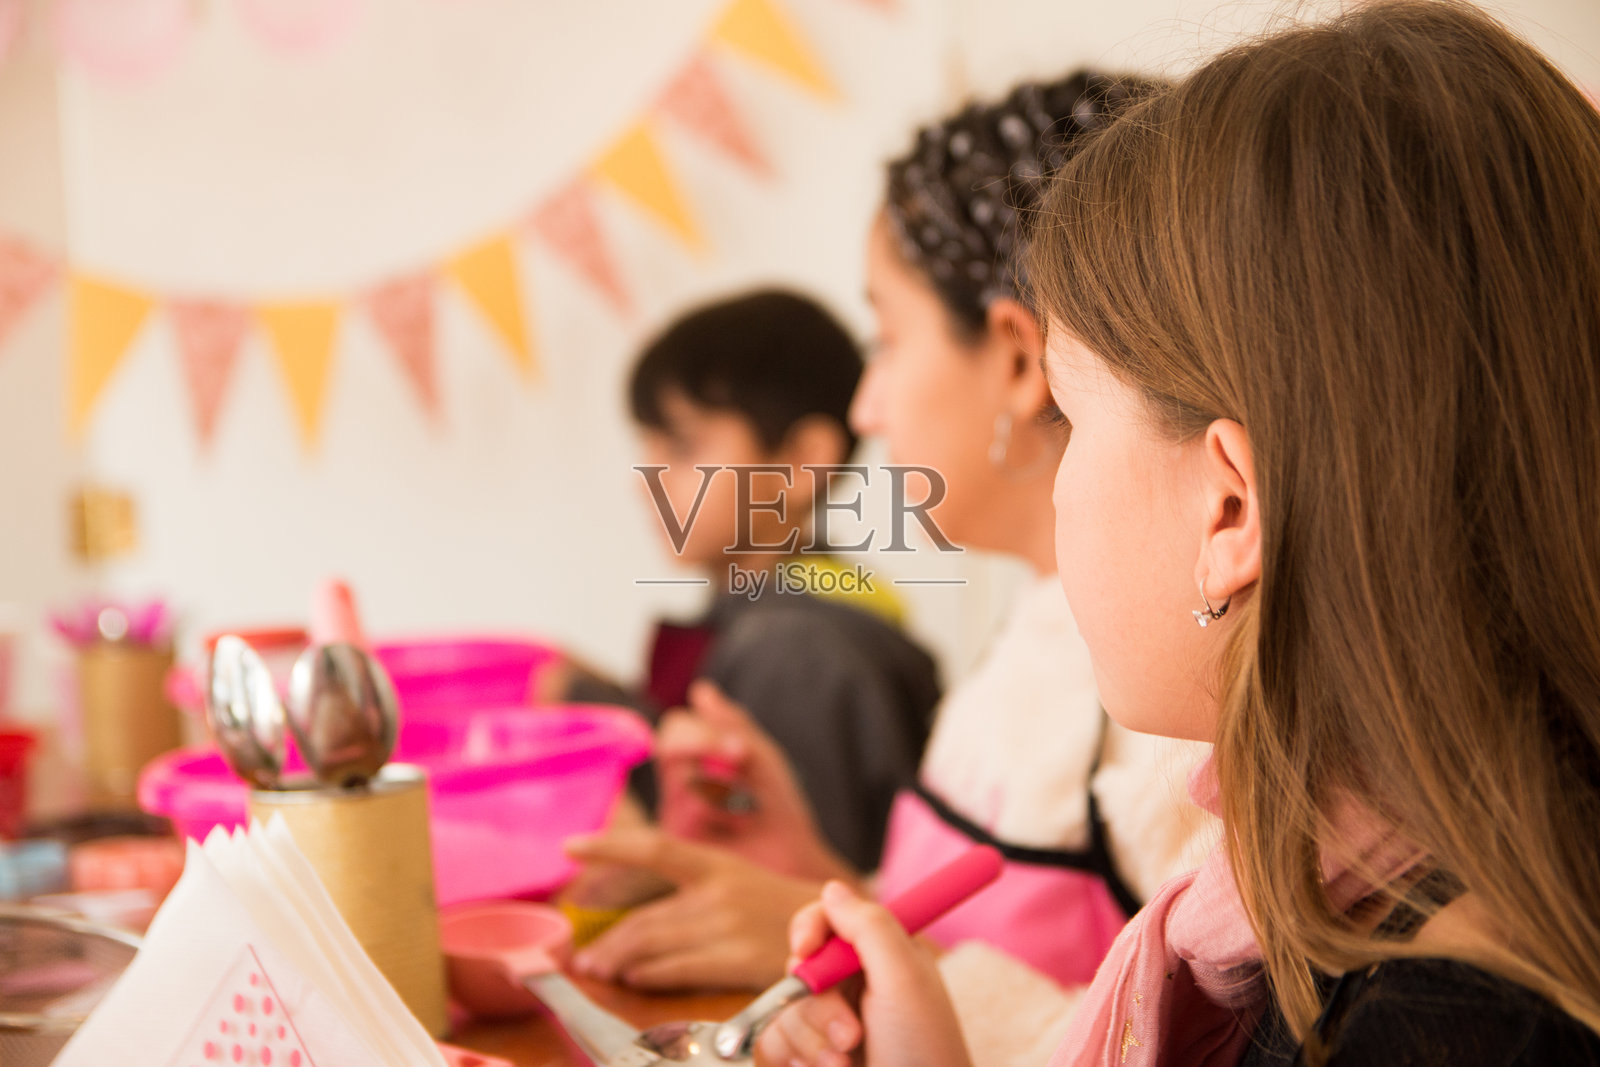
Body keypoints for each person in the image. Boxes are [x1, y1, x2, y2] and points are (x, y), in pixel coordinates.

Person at [755, 3, 1600, 1065]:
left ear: (1231, 509)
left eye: (1079, 418)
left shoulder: (1441, 1028)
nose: (1062, 488)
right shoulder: (1322, 899)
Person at [565, 73, 1215, 1066]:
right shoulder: (1040, 632)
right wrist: (818, 878)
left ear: (1012, 358)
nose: (866, 407)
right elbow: (970, 927)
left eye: (886, 337)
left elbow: (1163, 1033)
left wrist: (852, 941)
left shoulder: (1164, 681)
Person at [553, 288, 941, 873]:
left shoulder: (798, 652)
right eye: (647, 447)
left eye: (681, 447)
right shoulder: (797, 609)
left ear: (801, 462)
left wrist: (580, 705)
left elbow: (773, 882)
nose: (645, 480)